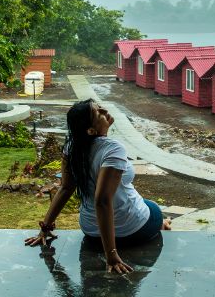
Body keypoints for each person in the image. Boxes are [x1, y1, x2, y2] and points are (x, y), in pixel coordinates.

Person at [25, 99, 170, 273]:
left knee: (142, 202)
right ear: (91, 130)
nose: (104, 110)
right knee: (153, 208)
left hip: (92, 233)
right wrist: (111, 255)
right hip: (131, 231)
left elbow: (66, 188)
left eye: (100, 107)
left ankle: (161, 223)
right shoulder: (113, 149)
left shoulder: (72, 147)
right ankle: (162, 224)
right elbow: (102, 200)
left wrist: (45, 228)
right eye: (98, 112)